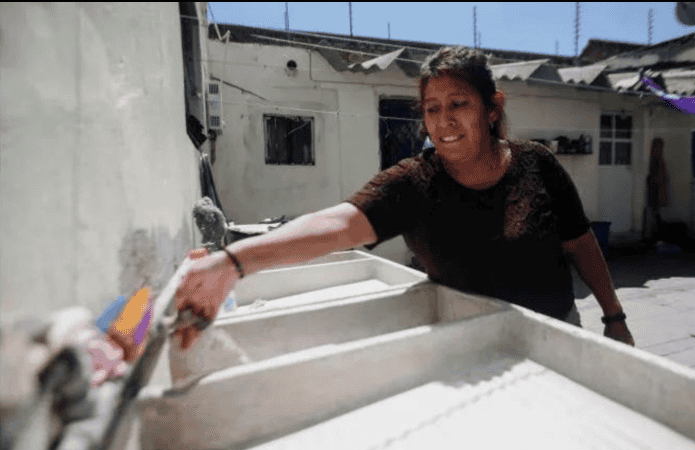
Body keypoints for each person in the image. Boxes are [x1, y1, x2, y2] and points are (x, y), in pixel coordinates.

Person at [175, 46, 634, 347]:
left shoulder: (537, 163)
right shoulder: (415, 183)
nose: (444, 122)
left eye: (459, 104)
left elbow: (580, 242)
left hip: (558, 335)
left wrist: (614, 316)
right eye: (433, 109)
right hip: (467, 343)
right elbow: (337, 224)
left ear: (491, 108)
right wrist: (235, 262)